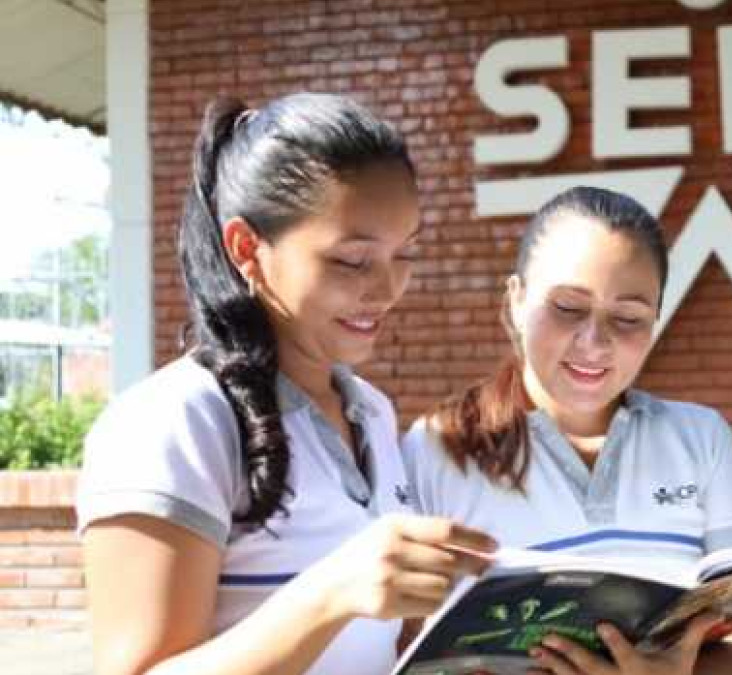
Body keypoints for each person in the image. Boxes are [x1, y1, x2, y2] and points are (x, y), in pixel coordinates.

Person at [76, 93, 496, 675]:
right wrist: (331, 591)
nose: (387, 288)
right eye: (352, 260)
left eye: (406, 253)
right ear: (247, 248)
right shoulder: (171, 422)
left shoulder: (370, 411)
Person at [400, 186, 732, 675]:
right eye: (567, 307)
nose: (595, 343)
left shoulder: (700, 437)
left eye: (627, 317)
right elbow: (404, 638)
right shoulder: (439, 447)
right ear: (516, 299)